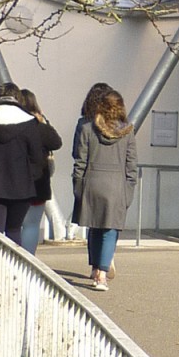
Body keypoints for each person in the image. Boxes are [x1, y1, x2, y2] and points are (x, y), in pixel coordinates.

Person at [0, 83, 62, 242]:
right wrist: (30, 177)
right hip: (20, 186)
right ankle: (12, 267)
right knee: (14, 230)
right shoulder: (29, 123)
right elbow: (36, 156)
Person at [73, 85, 139, 291]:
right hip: (116, 185)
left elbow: (79, 163)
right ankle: (102, 274)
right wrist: (128, 191)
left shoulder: (86, 128)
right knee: (110, 229)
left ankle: (94, 268)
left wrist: (78, 188)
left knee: (94, 226)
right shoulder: (127, 132)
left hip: (92, 182)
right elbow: (131, 165)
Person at [15, 88, 58, 256]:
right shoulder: (39, 125)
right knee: (32, 225)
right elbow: (56, 142)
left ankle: (12, 258)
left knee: (14, 224)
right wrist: (44, 121)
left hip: (15, 181)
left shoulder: (13, 124)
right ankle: (28, 259)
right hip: (38, 181)